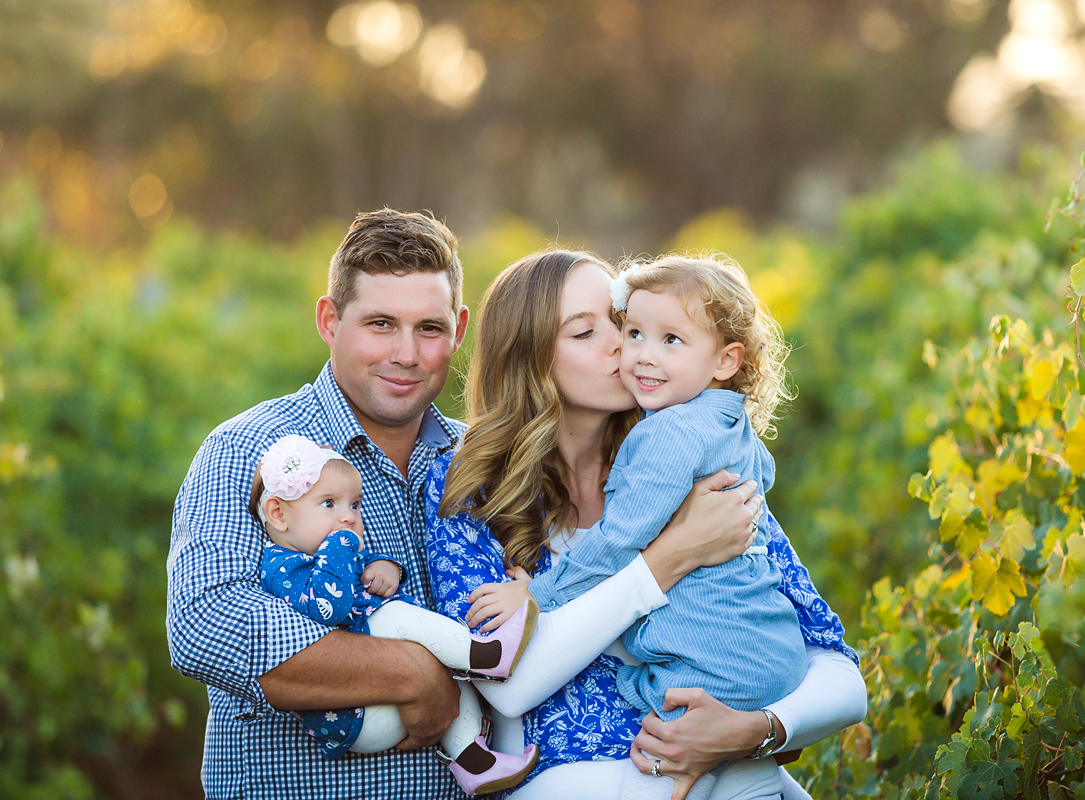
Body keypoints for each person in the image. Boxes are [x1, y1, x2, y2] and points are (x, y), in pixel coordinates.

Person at [166, 209, 760, 800]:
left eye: (428, 328)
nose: (406, 353)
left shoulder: (483, 466)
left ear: (459, 328)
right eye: (380, 324)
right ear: (328, 320)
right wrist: (413, 670)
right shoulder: (251, 448)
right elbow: (205, 624)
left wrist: (751, 725)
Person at [426, 250, 868, 800]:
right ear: (531, 359)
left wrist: (755, 730)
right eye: (586, 333)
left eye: (622, 321)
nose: (624, 345)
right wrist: (669, 558)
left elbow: (838, 670)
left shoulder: (689, 456)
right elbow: (509, 687)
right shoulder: (472, 482)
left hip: (726, 770)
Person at [250, 433, 539, 794]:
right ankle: (486, 654)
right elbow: (330, 606)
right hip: (354, 716)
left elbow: (358, 577)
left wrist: (386, 566)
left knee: (445, 666)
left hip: (388, 703)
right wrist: (343, 545)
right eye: (328, 504)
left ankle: (473, 762)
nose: (348, 518)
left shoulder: (329, 550)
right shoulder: (280, 565)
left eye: (354, 505)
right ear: (278, 514)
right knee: (393, 618)